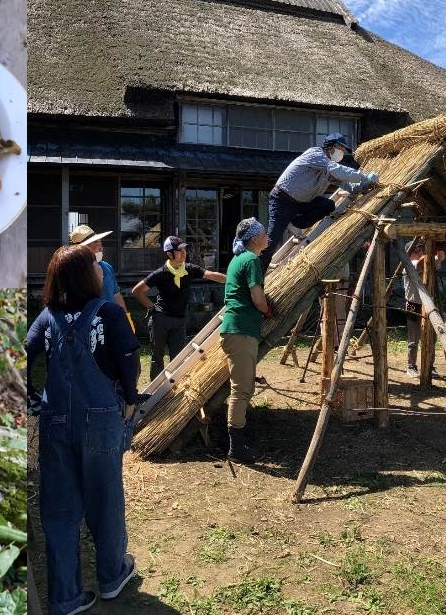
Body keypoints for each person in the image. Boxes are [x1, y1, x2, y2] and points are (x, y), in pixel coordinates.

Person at [27, 244, 146, 615]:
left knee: (60, 509)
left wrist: (31, 400)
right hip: (99, 419)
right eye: (95, 266)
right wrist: (130, 397)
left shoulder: (47, 316)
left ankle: (65, 598)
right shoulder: (107, 312)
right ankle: (112, 576)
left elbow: (25, 353)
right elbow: (128, 356)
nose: (100, 270)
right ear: (84, 275)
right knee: (104, 498)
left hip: (55, 419)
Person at [259, 133, 379, 271]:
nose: (342, 153)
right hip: (283, 199)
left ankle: (294, 223)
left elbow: (346, 184)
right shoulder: (316, 154)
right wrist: (363, 177)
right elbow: (338, 170)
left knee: (327, 205)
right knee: (272, 240)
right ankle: (258, 272)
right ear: (331, 146)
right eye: (340, 148)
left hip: (302, 202)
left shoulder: (329, 169)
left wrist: (362, 186)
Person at [132, 236, 225, 380]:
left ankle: (176, 391)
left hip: (179, 320)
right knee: (157, 357)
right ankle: (155, 393)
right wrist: (151, 307)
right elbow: (137, 291)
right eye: (179, 250)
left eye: (184, 249)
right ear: (169, 254)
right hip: (160, 319)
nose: (184, 253)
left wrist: (233, 278)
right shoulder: (160, 273)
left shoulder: (189, 269)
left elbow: (211, 275)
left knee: (178, 359)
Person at [220, 218, 273, 463]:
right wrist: (267, 310)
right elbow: (257, 296)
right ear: (254, 239)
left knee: (242, 387)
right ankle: (236, 447)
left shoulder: (237, 259)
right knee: (241, 390)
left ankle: (237, 441)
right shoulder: (251, 260)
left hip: (236, 328)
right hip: (240, 330)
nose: (267, 236)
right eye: (263, 233)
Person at [69, 223, 135, 332]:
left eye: (99, 241)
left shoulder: (107, 267)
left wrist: (127, 318)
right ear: (83, 248)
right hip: (88, 326)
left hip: (113, 322)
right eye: (95, 242)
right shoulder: (74, 271)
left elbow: (116, 294)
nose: (100, 245)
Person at [404, 239, 446, 378]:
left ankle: (430, 366)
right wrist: (429, 251)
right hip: (414, 305)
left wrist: (438, 246)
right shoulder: (409, 265)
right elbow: (422, 261)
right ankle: (411, 366)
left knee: (430, 338)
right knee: (414, 339)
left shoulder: (427, 261)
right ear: (409, 254)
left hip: (429, 305)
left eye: (421, 249)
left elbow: (440, 258)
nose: (420, 252)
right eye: (417, 251)